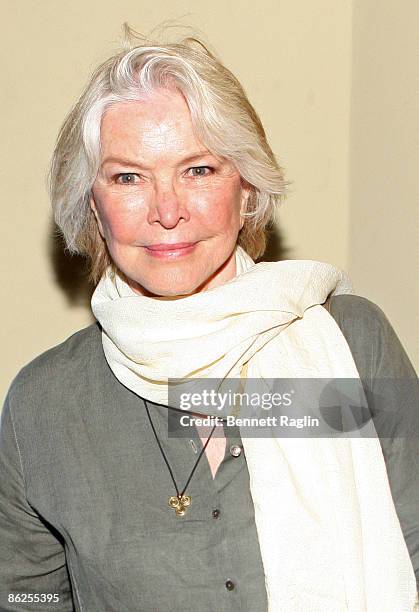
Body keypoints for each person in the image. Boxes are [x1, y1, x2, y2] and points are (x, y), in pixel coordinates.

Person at [0, 28, 418, 612]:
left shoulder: (351, 344)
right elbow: (28, 599)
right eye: (128, 177)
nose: (166, 211)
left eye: (197, 170)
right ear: (91, 204)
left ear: (246, 188)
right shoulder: (45, 405)